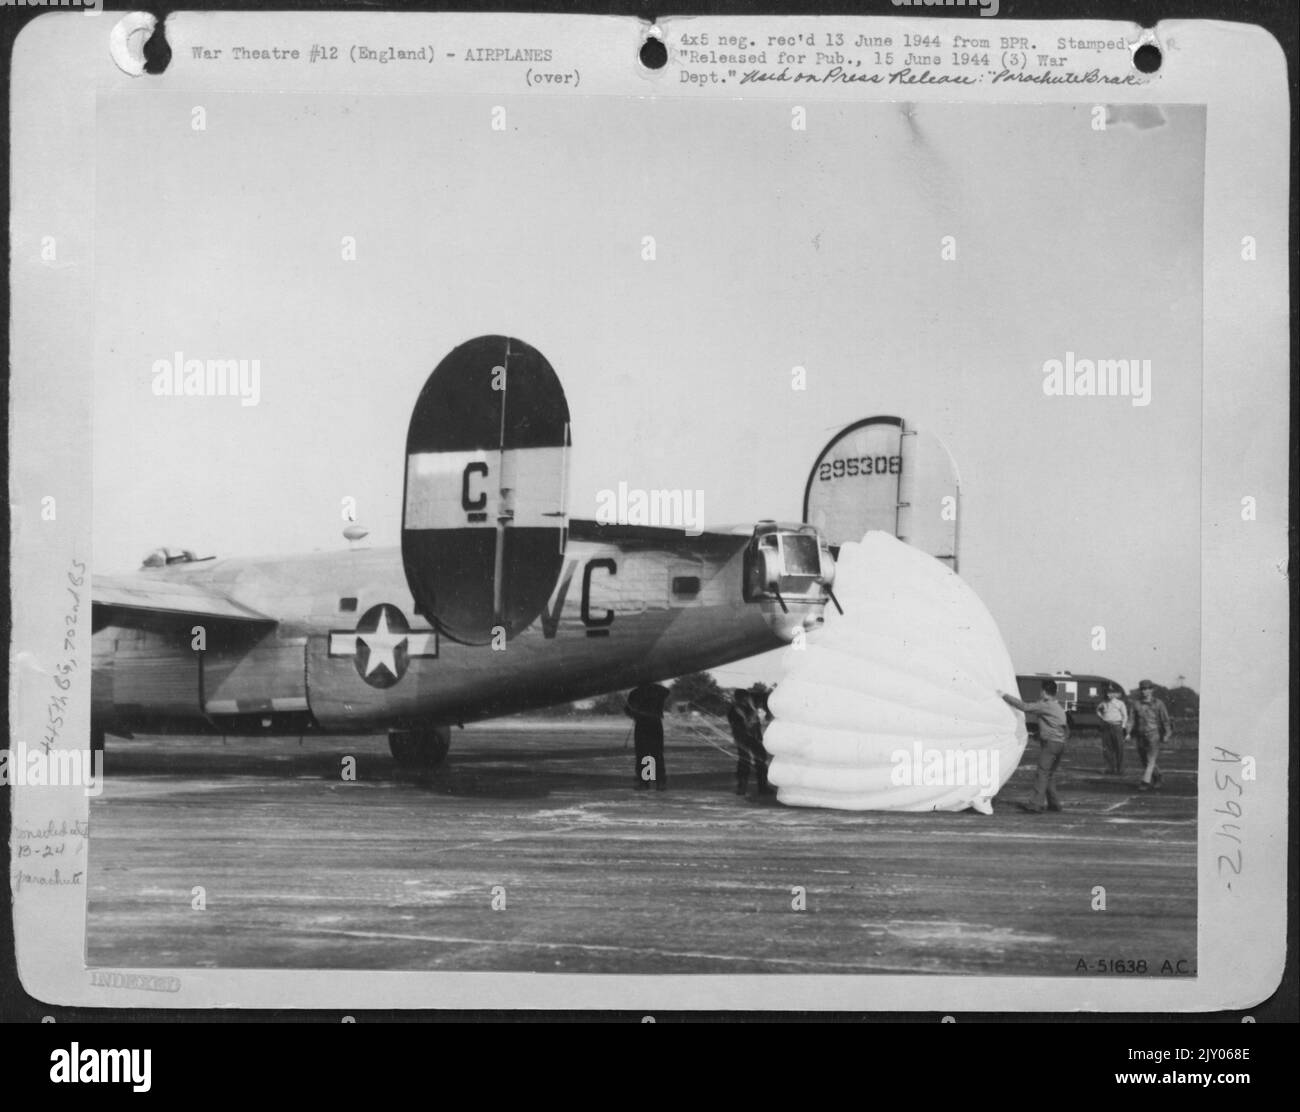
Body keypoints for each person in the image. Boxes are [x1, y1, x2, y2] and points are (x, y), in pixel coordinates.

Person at [998, 679, 1070, 813]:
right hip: (1060, 744)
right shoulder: (1058, 707)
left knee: (1042, 773)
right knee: (1049, 774)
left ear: (1044, 691)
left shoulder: (1045, 705)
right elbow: (1060, 727)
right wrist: (1039, 734)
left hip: (1050, 744)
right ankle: (1054, 804)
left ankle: (1035, 804)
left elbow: (1024, 707)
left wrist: (1004, 696)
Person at [1129, 679, 1173, 791]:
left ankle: (1145, 782)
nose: (1145, 691)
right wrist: (1128, 732)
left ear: (1152, 690)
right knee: (1144, 760)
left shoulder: (1158, 703)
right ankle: (1158, 777)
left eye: (1147, 689)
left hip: (1154, 734)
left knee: (1151, 759)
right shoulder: (1136, 704)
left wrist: (1167, 734)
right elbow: (1131, 720)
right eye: (1143, 689)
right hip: (1140, 735)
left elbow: (1165, 720)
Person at [626, 683, 670, 791]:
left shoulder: (635, 693)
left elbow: (628, 710)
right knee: (657, 753)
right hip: (655, 723)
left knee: (643, 753)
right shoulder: (659, 690)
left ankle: (644, 782)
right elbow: (667, 692)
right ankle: (660, 782)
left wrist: (635, 712)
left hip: (642, 724)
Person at [727, 689, 770, 797]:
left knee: (756, 762)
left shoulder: (741, 708)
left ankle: (751, 788)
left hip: (751, 739)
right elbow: (748, 723)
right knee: (747, 762)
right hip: (745, 739)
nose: (749, 699)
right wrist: (754, 714)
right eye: (747, 697)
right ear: (744, 698)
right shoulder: (737, 710)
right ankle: (748, 788)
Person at [1095, 686, 1130, 774]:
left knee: (1119, 748)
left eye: (1111, 693)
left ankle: (1120, 769)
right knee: (1107, 748)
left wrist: (1123, 726)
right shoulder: (1103, 703)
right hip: (1106, 726)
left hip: (1117, 726)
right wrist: (1102, 717)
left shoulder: (1120, 703)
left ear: (1114, 694)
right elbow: (1098, 710)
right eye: (1107, 693)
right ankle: (1110, 768)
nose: (1109, 695)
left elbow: (1125, 716)